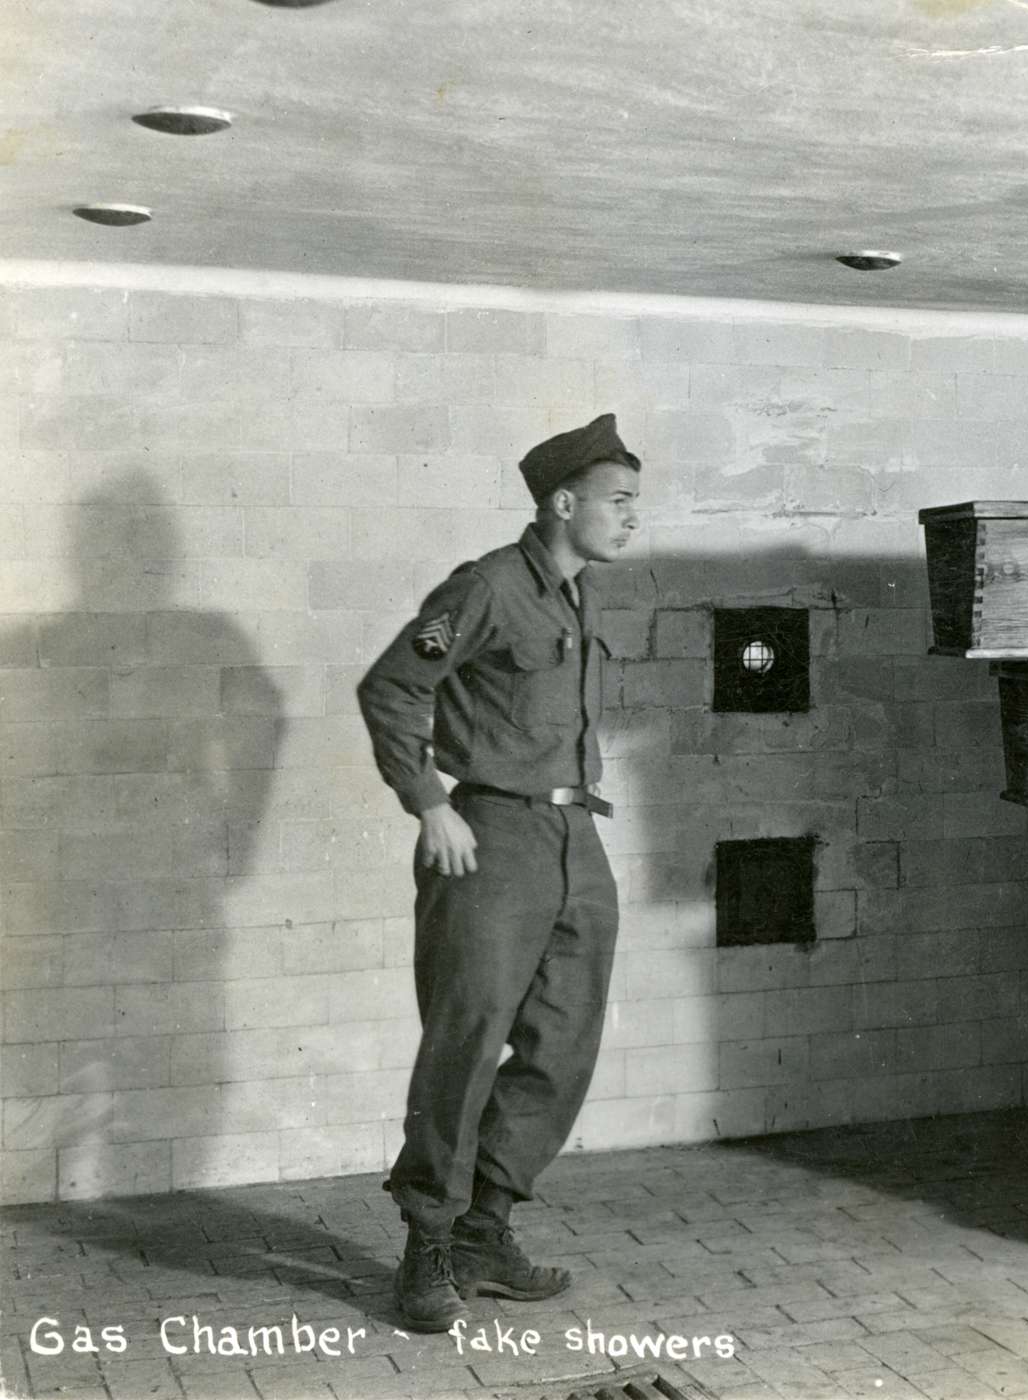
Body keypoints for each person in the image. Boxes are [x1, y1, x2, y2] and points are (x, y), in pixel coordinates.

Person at [356, 413, 641, 1331]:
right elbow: (394, 686)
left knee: (562, 1045)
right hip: (491, 837)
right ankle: (428, 1246)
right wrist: (429, 802)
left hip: (573, 837)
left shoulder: (577, 592)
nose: (634, 518)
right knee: (468, 1040)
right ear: (564, 503)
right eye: (619, 501)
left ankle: (486, 1229)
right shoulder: (485, 586)